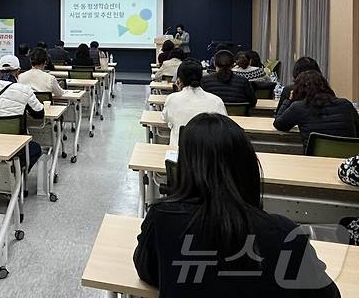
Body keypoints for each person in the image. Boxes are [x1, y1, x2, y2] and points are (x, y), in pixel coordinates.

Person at [134, 113, 341, 298]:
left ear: (187, 168)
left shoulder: (163, 219)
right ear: (248, 166)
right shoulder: (284, 235)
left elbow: (147, 270)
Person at [0, 55, 44, 202]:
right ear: (18, 71)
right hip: (15, 144)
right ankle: (11, 179)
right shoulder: (24, 90)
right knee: (35, 149)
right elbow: (39, 113)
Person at [273, 71, 359, 149]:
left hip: (314, 159)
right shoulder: (346, 105)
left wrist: (289, 100)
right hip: (347, 161)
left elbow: (279, 124)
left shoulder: (299, 107)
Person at [162, 59, 227, 145]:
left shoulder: (172, 99)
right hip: (208, 153)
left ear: (179, 80)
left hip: (179, 152)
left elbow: (165, 119)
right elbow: (224, 126)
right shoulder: (216, 100)